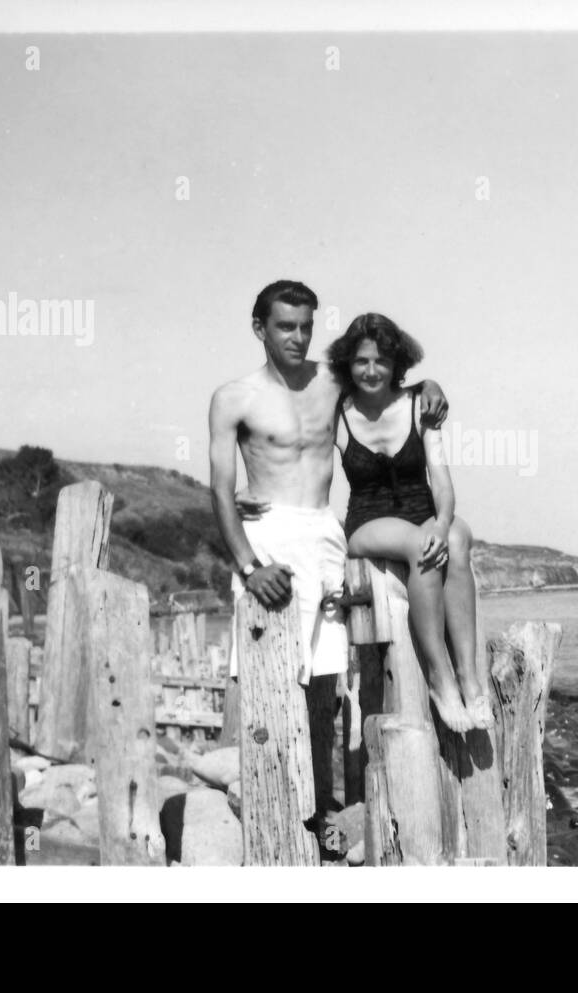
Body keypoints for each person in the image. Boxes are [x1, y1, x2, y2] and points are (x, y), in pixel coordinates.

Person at [208, 280, 447, 818]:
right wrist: (248, 565)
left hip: (323, 534)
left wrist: (429, 383)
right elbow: (221, 489)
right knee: (268, 676)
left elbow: (383, 377)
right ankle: (271, 810)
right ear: (259, 330)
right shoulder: (233, 398)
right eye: (285, 326)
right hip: (269, 536)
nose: (298, 337)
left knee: (323, 680)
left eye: (306, 326)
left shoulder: (331, 382)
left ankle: (314, 811)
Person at [327, 313, 489, 733]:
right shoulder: (337, 415)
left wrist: (442, 522)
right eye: (361, 361)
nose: (371, 370)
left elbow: (442, 480)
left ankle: (470, 679)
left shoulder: (421, 404)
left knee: (456, 537)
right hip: (368, 521)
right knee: (422, 546)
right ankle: (440, 678)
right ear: (348, 364)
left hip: (423, 510)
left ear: (396, 363)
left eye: (381, 361)